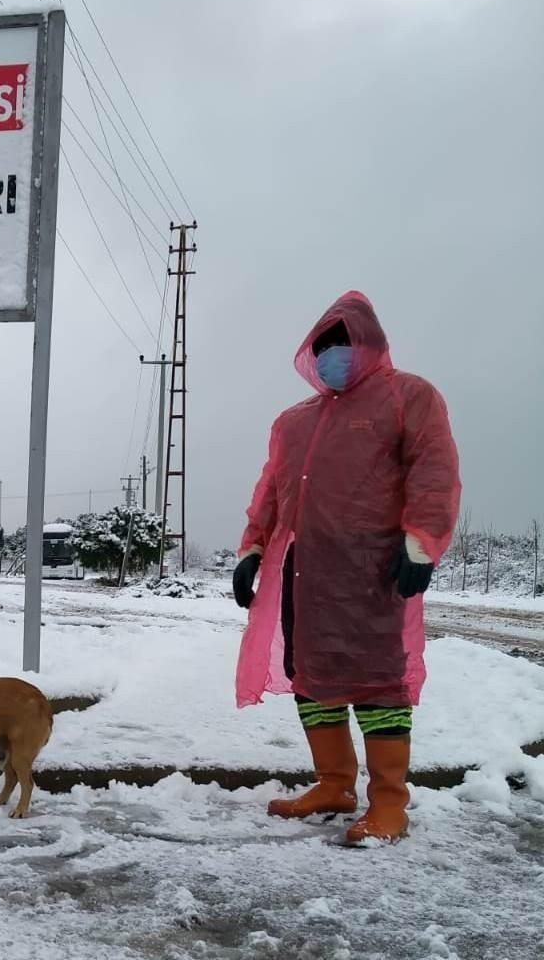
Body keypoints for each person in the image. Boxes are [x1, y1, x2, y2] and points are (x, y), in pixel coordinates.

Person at [232, 291, 460, 844]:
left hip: (375, 569)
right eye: (324, 346)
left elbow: (434, 468)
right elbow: (272, 490)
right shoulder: (294, 422)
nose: (334, 356)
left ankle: (389, 804)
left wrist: (421, 542)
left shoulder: (410, 397)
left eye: (345, 344)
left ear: (370, 345)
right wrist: (252, 549)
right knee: (312, 678)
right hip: (306, 572)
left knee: (379, 681)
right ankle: (334, 783)